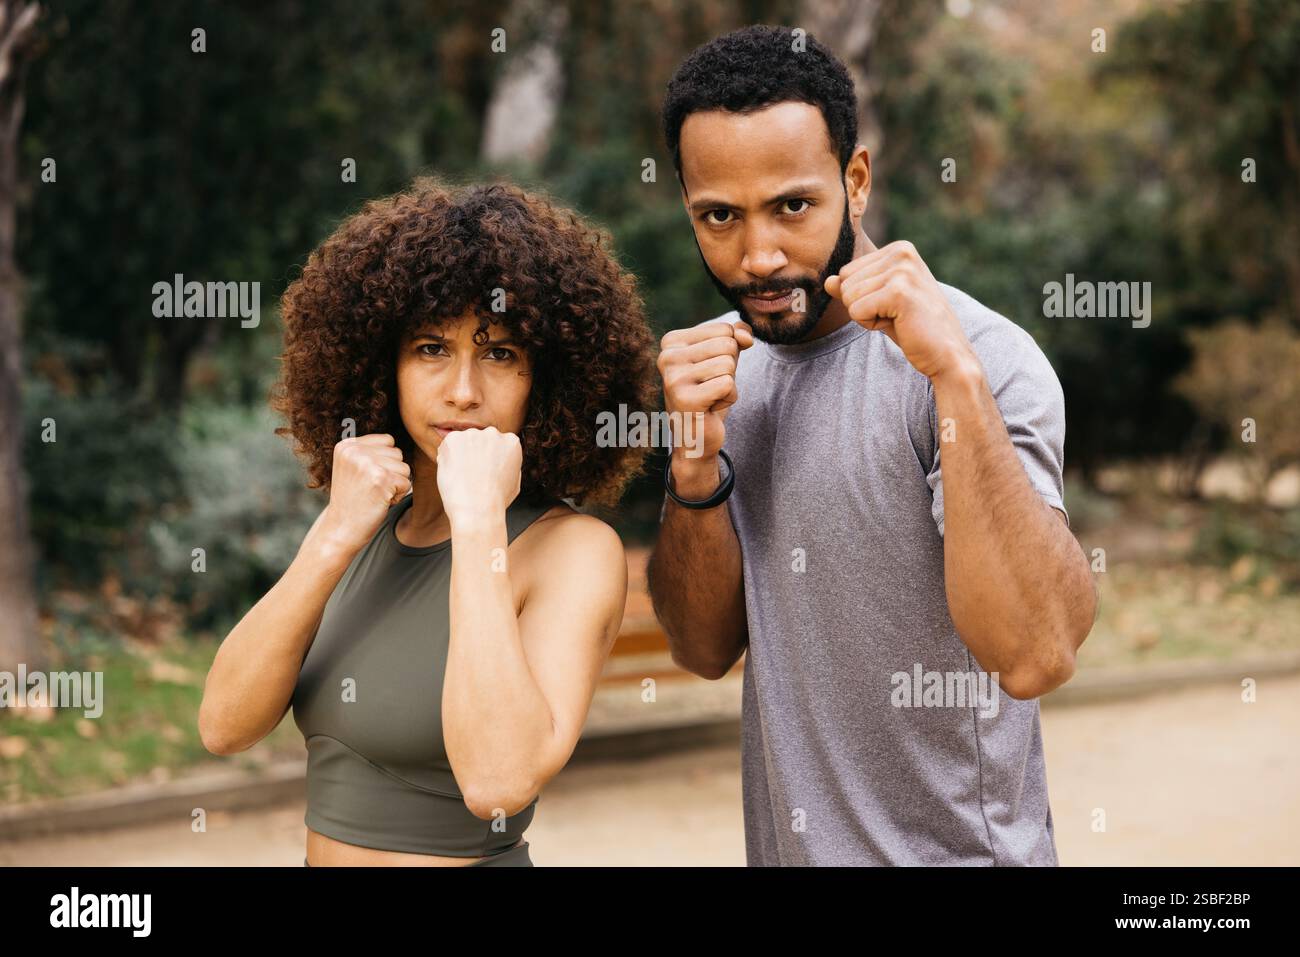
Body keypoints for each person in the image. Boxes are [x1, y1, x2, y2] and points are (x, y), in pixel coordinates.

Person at [648, 25, 1099, 866]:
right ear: (687, 205)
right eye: (720, 216)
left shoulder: (977, 358)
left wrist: (953, 380)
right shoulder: (714, 373)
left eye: (792, 205)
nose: (759, 254)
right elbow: (702, 648)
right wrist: (692, 469)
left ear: (855, 180)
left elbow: (1039, 652)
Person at [199, 178, 658, 866]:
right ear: (383, 364)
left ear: (549, 377)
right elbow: (224, 726)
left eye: (499, 352)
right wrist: (334, 533)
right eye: (430, 349)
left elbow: (498, 782)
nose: (463, 391)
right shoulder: (361, 526)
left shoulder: (573, 550)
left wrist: (478, 524)